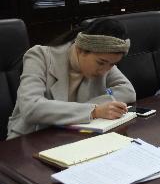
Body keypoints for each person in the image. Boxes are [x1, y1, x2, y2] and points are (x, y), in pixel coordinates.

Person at [6, 19, 136, 139]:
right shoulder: (39, 56)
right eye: (100, 63)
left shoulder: (105, 61)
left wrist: (94, 106)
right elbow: (31, 107)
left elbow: (128, 91)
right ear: (80, 49)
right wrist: (94, 111)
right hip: (30, 138)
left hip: (71, 135)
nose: (104, 71)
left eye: (112, 64)